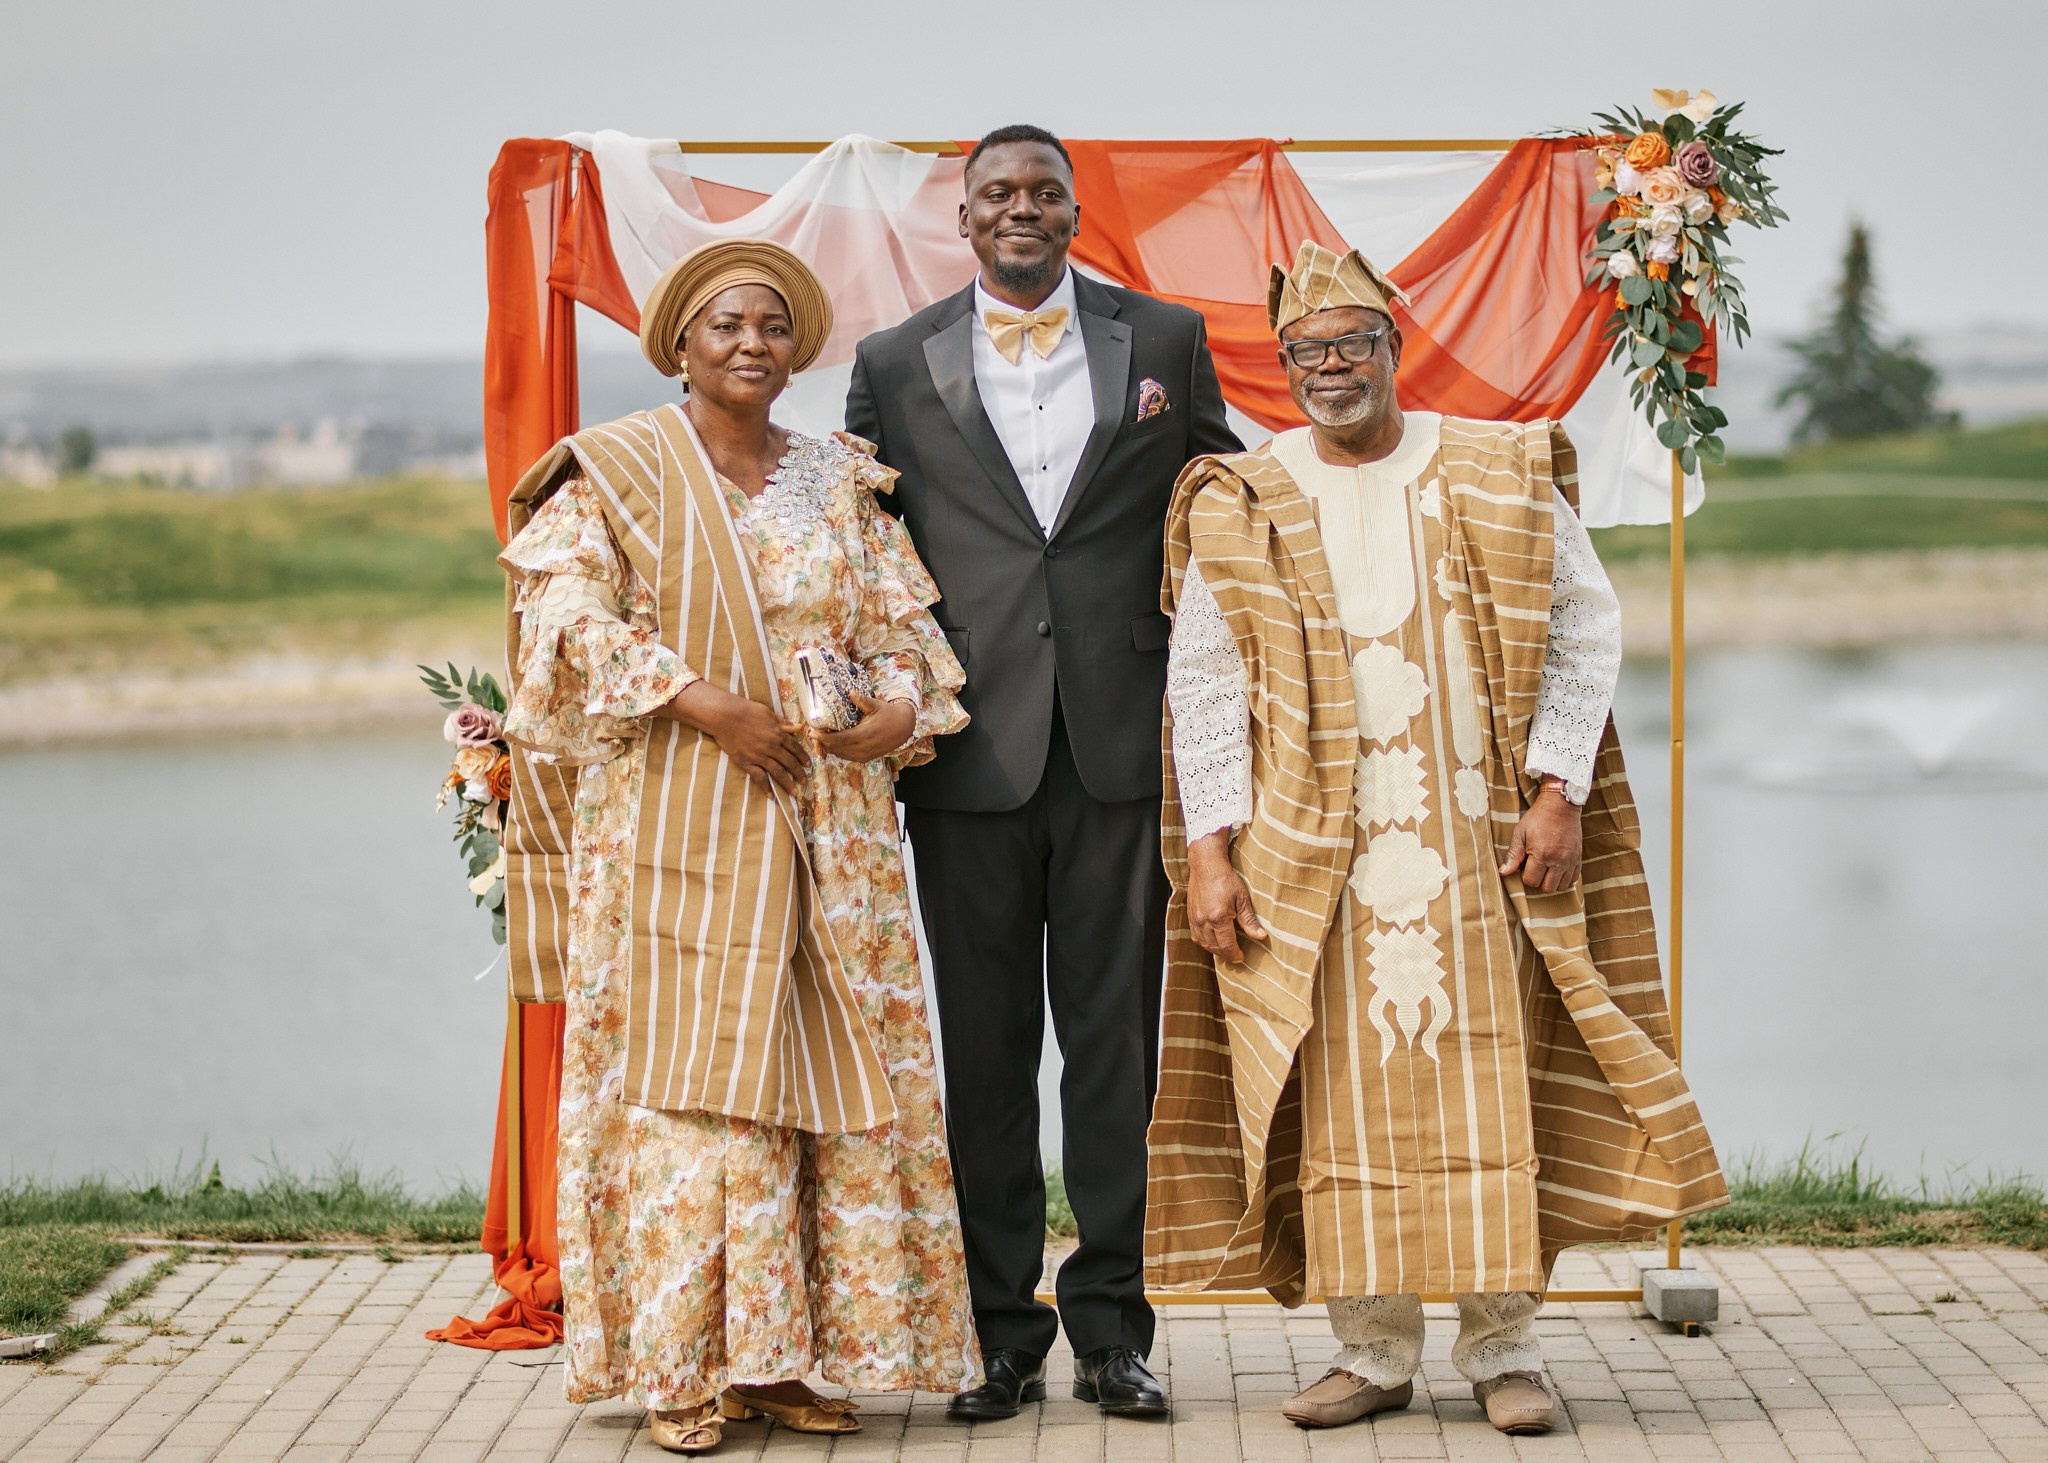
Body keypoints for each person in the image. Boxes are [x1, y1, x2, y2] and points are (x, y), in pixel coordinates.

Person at [1145, 242, 1728, 1436]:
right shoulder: (1241, 493)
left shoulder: (1496, 467)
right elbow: (1199, 684)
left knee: (1487, 1080)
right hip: (1312, 857)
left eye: (1349, 345)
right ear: (1283, 366)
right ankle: (1369, 1348)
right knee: (1340, 1095)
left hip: (1476, 838)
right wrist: (1209, 846)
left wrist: (1557, 785)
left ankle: (1504, 1346)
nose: (1327, 369)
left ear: (1391, 348)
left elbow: (1581, 624)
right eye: (1304, 353)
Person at [497, 239, 980, 1455]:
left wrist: (895, 710)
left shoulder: (839, 479)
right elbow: (559, 620)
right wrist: (702, 699)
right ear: (679, 345)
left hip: (835, 833)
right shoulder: (615, 475)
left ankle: (783, 1359)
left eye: (771, 325)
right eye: (725, 325)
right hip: (681, 819)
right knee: (700, 1094)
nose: (751, 343)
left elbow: (902, 633)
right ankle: (680, 1366)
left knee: (828, 1086)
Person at [844, 124, 1241, 1421]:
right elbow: (858, 549)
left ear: (1075, 211)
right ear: (964, 217)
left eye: (1043, 192)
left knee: (1115, 1054)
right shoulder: (893, 363)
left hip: (1124, 745)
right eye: (997, 193)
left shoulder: (1165, 340)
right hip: (966, 756)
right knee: (989, 1047)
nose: (1022, 209)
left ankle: (1113, 1330)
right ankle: (998, 1329)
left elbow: (1222, 500)